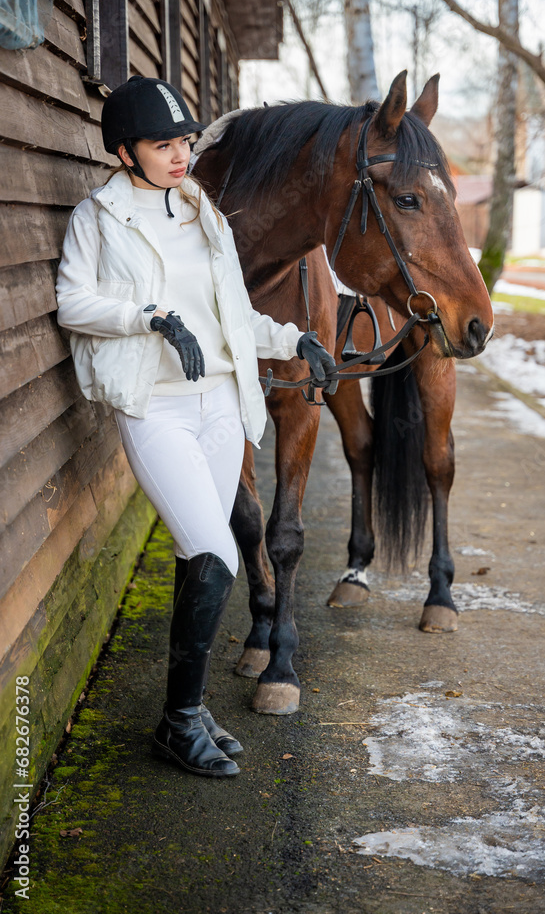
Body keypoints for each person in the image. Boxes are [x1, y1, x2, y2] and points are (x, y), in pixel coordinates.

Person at [55, 75, 337, 778]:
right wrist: (148, 318)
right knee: (216, 550)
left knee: (197, 554)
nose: (181, 155)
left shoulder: (201, 210)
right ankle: (177, 721)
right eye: (162, 144)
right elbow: (72, 303)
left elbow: (231, 312)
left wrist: (292, 339)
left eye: (185, 141)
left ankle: (192, 707)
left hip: (220, 404)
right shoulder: (98, 217)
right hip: (156, 405)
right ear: (125, 151)